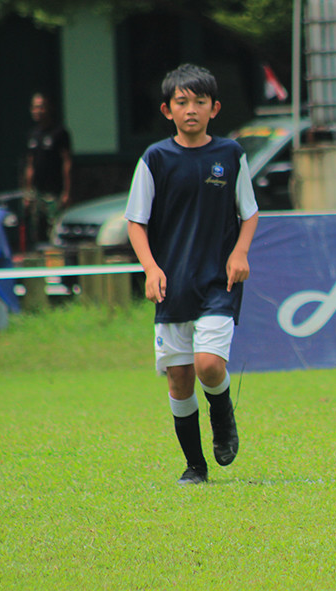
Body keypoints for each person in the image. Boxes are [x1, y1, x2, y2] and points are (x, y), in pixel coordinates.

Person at [126, 64, 259, 485]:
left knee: (208, 366)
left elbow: (250, 212)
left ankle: (223, 421)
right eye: (182, 102)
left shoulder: (230, 155)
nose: (191, 110)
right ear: (167, 110)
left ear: (214, 108)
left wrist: (240, 251)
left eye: (200, 102)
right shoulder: (155, 159)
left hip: (218, 282)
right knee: (180, 379)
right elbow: (135, 221)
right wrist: (150, 268)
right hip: (172, 285)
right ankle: (195, 466)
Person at [24, 92, 72, 247]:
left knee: (54, 231)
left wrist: (66, 192)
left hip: (54, 191)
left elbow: (67, 162)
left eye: (40, 107)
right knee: (37, 230)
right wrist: (28, 191)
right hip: (37, 191)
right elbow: (30, 165)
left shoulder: (59, 132)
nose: (37, 111)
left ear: (48, 108)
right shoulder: (33, 134)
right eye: (34, 107)